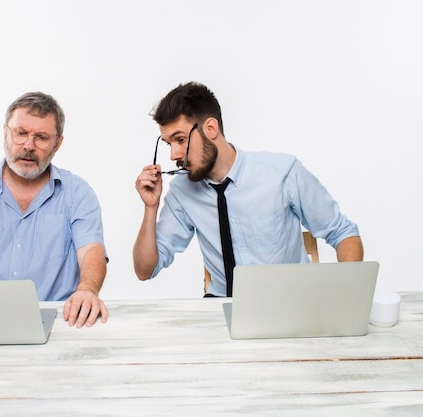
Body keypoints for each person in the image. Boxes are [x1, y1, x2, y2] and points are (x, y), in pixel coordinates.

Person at [133, 82, 363, 297]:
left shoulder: (282, 173)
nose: (174, 154)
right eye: (169, 144)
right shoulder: (182, 192)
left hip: (289, 302)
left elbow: (342, 233)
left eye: (180, 140)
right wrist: (150, 207)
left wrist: (348, 298)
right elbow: (145, 270)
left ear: (210, 128)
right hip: (223, 306)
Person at [0, 91, 108, 327]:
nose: (28, 146)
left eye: (41, 137)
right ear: (6, 132)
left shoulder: (78, 193)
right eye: (21, 133)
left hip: (57, 324)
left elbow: (91, 252)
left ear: (58, 143)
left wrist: (87, 290)